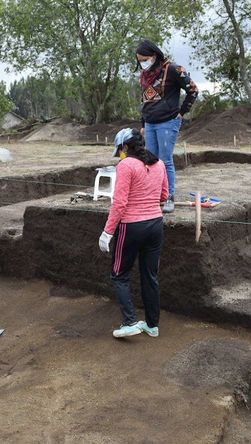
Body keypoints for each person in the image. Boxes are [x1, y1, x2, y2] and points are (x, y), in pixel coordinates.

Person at [99, 128, 168, 338]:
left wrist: (107, 232)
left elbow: (119, 203)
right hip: (156, 225)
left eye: (120, 149)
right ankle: (152, 325)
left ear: (125, 146)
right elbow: (164, 195)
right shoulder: (159, 164)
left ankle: (129, 322)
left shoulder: (126, 165)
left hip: (131, 226)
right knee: (150, 275)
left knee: (119, 275)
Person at [136, 39, 198, 213]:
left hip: (167, 121)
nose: (142, 63)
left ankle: (169, 196)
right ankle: (154, 196)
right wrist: (143, 123)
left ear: (154, 55)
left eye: (144, 59)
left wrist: (182, 112)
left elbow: (193, 90)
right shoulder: (145, 74)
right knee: (150, 161)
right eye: (139, 60)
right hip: (150, 123)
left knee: (165, 161)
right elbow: (145, 101)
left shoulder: (172, 69)